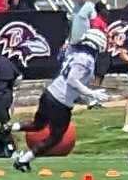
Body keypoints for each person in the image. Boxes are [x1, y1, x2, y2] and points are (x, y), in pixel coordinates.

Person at [19, 19, 102, 165]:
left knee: (37, 125)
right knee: (55, 138)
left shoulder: (73, 53)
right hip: (61, 102)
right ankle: (24, 160)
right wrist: (91, 93)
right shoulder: (86, 59)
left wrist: (85, 97)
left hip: (50, 93)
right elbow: (72, 80)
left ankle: (9, 128)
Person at [0, 10, 48, 166]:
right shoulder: (6, 61)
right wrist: (12, 87)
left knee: (1, 125)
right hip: (7, 96)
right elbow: (19, 76)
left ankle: (9, 150)